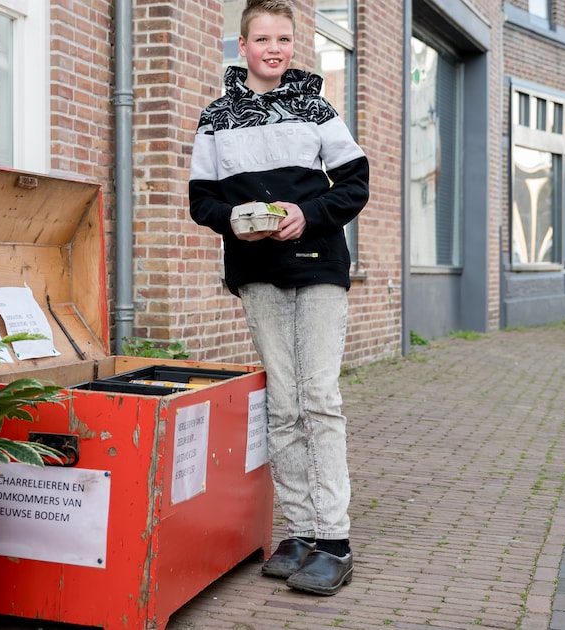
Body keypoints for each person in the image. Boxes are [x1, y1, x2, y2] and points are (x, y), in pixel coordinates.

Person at [187, 0, 369, 597]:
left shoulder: (317, 108)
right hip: (256, 271)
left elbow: (355, 184)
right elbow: (202, 200)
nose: (274, 49)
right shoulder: (216, 118)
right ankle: (300, 530)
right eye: (262, 39)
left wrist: (306, 214)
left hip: (318, 265)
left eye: (284, 39)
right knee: (284, 403)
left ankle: (334, 540)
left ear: (294, 45)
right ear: (242, 46)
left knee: (319, 398)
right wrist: (234, 221)